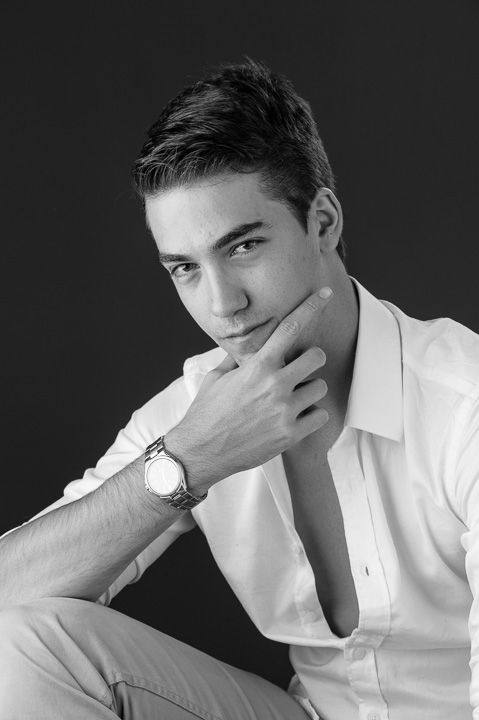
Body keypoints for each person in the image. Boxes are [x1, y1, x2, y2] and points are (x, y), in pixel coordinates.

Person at [0, 59, 478, 720]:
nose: (222, 304)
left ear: (323, 222)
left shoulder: (462, 406)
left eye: (244, 246)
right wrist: (189, 461)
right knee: (21, 645)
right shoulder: (197, 416)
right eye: (185, 269)